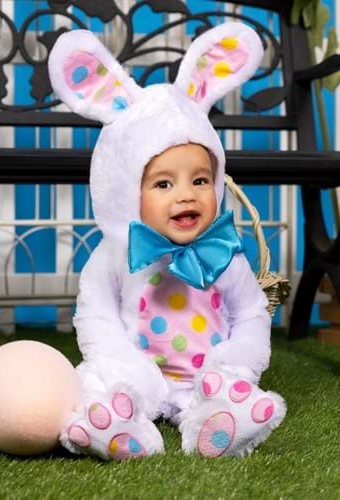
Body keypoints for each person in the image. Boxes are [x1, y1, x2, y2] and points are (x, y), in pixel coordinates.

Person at [48, 22, 286, 461]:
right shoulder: (115, 254)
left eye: (200, 179)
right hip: (137, 374)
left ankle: (220, 417)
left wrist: (235, 362)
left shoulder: (222, 251)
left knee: (228, 388)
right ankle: (116, 424)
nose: (186, 194)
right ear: (127, 190)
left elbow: (251, 311)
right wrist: (123, 365)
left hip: (207, 375)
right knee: (96, 380)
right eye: (162, 184)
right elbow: (95, 315)